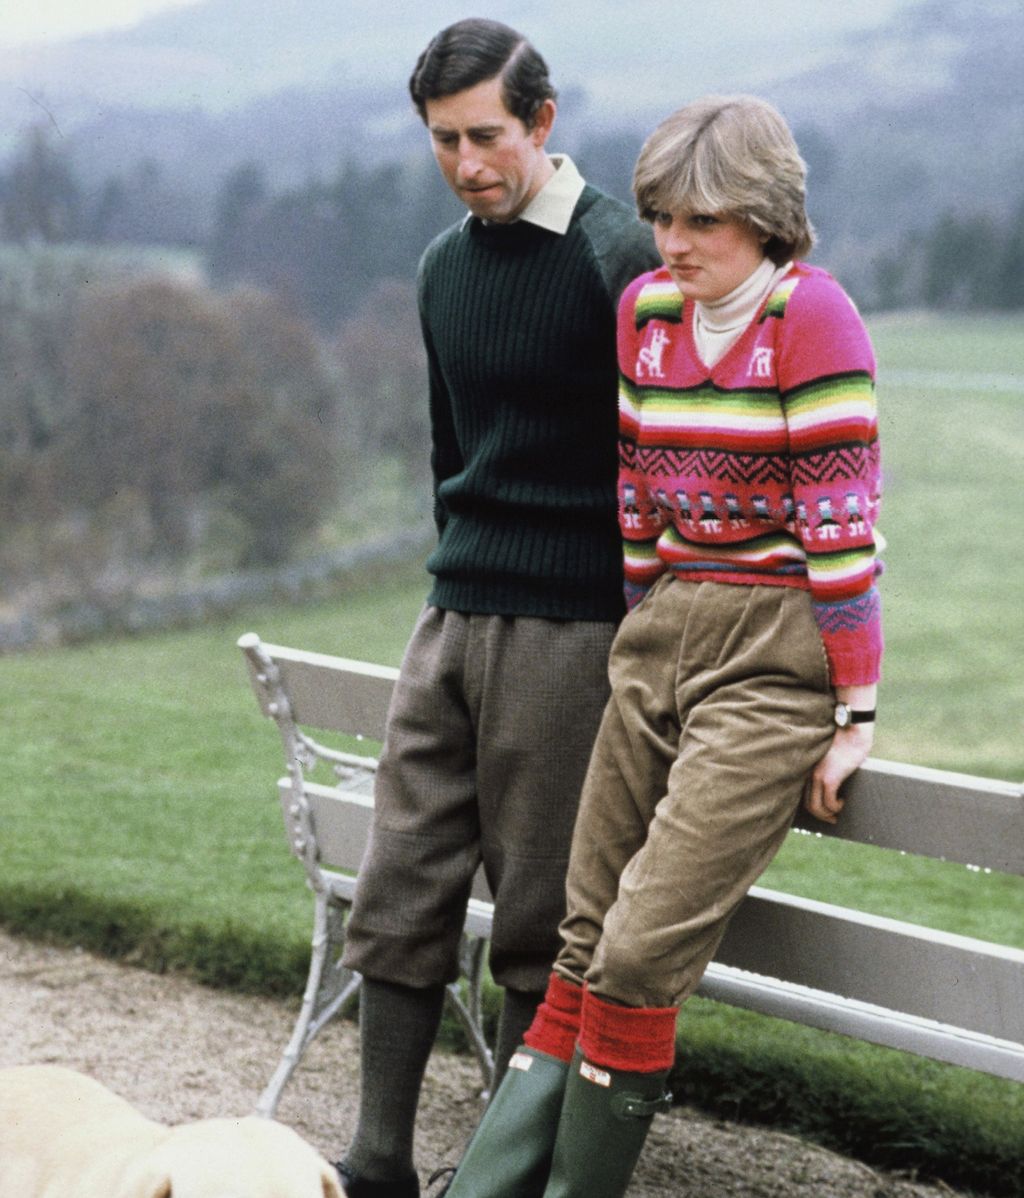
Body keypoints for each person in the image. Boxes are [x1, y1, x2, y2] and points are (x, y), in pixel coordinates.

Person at [443, 94, 883, 1198]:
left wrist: (854, 710)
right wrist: (640, 632)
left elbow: (840, 534)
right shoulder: (644, 310)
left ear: (768, 219)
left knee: (638, 957)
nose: (673, 243)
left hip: (771, 650)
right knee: (578, 936)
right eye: (660, 218)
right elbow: (638, 495)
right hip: (660, 631)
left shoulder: (810, 318)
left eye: (702, 223)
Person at [334, 19, 660, 1198]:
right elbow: (448, 451)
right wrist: (458, 574)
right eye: (441, 142)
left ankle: (506, 1172)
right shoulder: (441, 271)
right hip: (453, 609)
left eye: (484, 136)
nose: (465, 161)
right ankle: (378, 1160)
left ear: (541, 124)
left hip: (572, 628)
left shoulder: (618, 260)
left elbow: (656, 461)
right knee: (400, 879)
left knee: (538, 908)